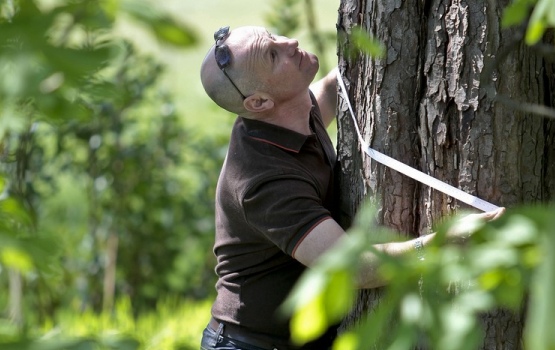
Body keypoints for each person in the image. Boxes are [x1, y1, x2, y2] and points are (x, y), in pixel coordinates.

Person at [199, 25, 505, 350]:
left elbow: (333, 88)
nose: (291, 42)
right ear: (259, 101)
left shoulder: (287, 113)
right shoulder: (265, 180)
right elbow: (359, 269)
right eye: (273, 54)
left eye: (275, 36)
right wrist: (455, 237)